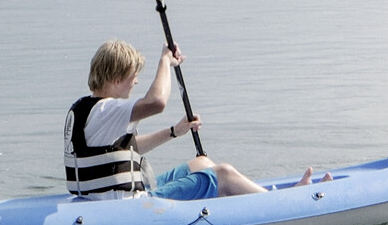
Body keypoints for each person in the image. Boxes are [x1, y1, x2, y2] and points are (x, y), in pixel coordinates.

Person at [64, 39, 324, 201]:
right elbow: (157, 102)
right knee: (223, 174)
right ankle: (277, 203)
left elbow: (127, 150)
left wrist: (175, 131)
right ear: (117, 79)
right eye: (133, 77)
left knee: (202, 163)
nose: (136, 82)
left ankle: (239, 198)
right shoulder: (108, 109)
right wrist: (165, 61)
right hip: (124, 203)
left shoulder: (87, 110)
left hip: (113, 194)